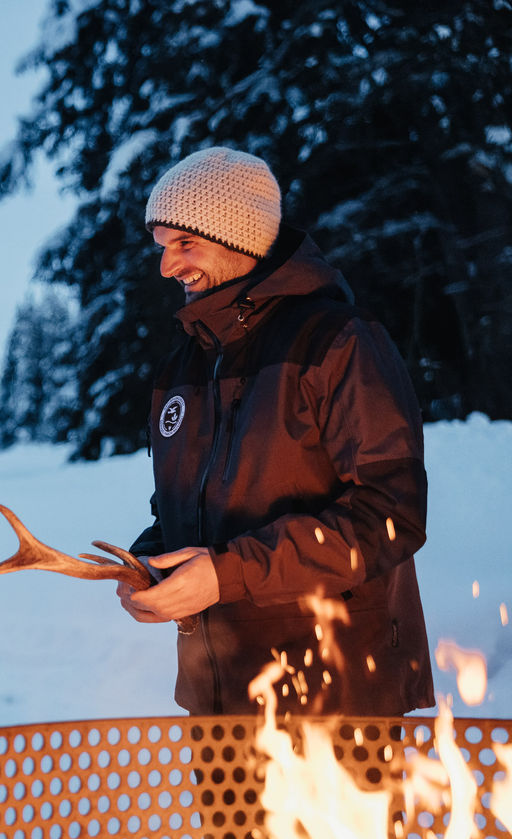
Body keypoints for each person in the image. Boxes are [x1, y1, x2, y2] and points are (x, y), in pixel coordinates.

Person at [115, 147, 435, 716]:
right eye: (163, 247)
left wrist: (226, 574)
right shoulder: (183, 365)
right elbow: (186, 511)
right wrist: (148, 566)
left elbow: (391, 516)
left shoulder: (338, 343)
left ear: (240, 236)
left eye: (185, 243)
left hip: (334, 698)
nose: (167, 266)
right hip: (217, 698)